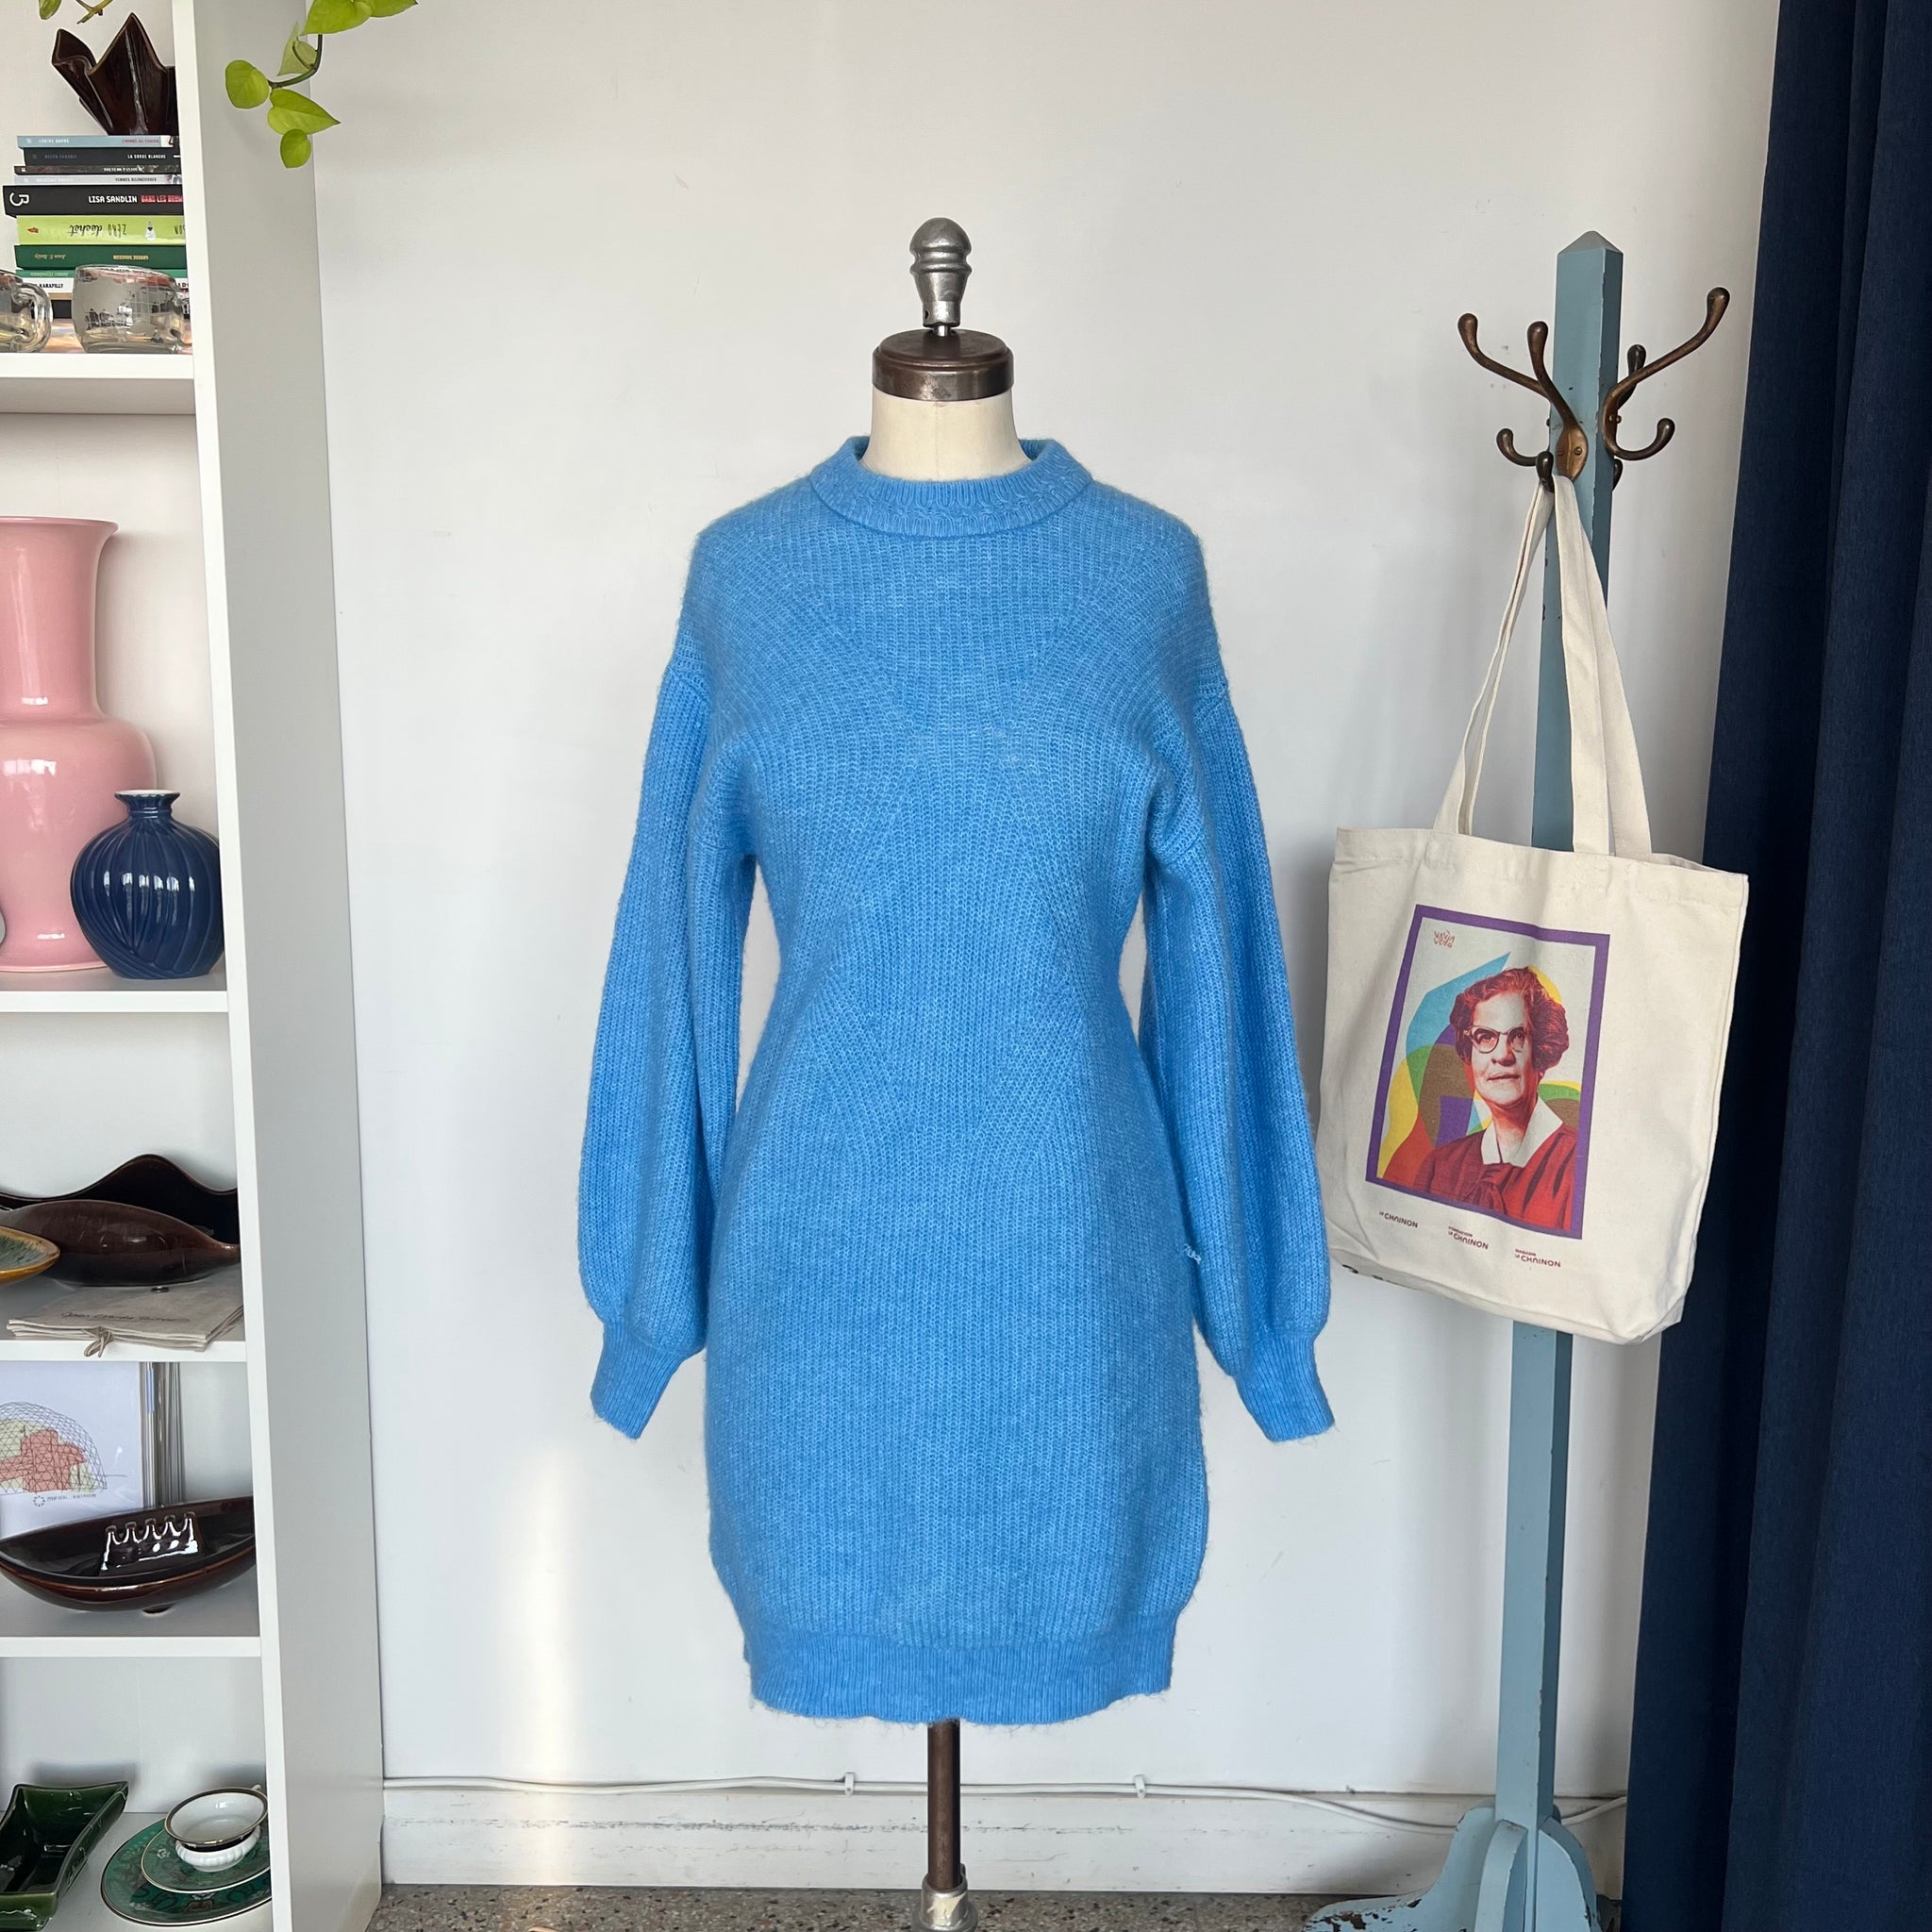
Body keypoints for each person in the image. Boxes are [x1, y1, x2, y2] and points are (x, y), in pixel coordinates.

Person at [1413, 965, 1579, 1233]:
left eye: (1518, 1036)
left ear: (1542, 1051)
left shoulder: (1579, 1165)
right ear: (1469, 1054)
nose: (1502, 1055)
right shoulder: (1439, 1166)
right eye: (1485, 1036)